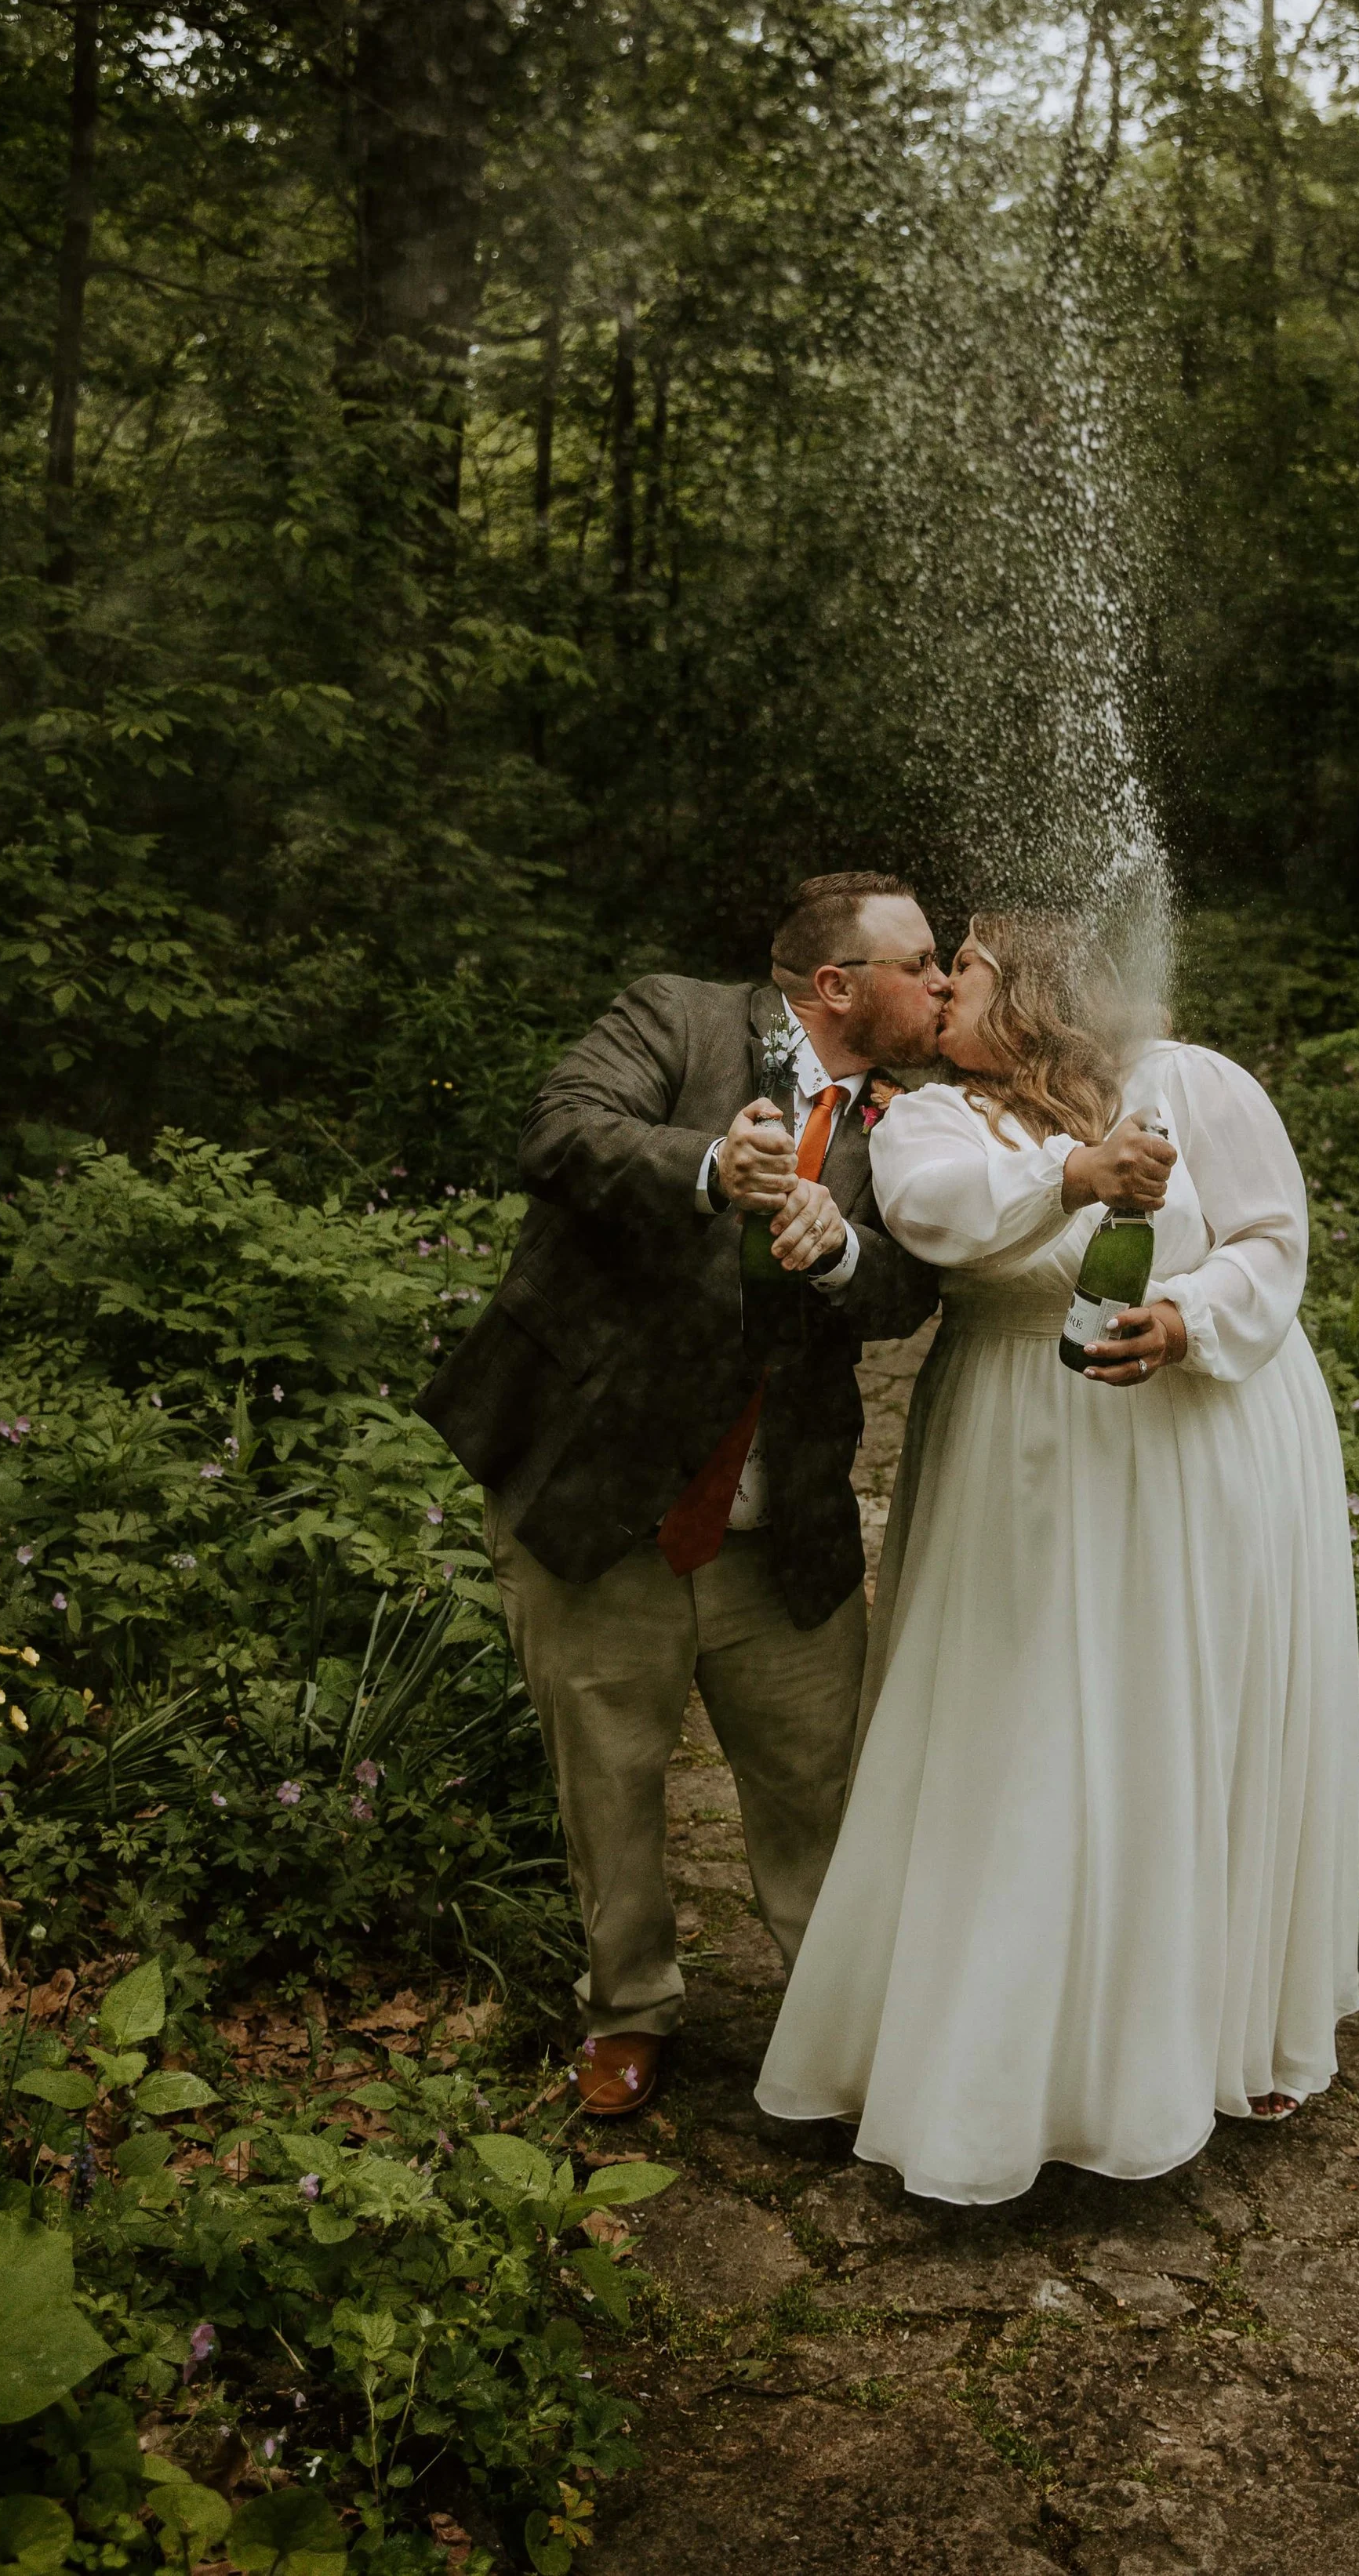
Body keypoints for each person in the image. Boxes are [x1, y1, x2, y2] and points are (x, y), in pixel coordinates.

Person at [755, 910, 1359, 2203]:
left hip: (1190, 1449)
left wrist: (1187, 1315)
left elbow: (1273, 1240)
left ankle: (1183, 2043)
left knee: (1173, 1729)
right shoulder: (926, 1118)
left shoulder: (1190, 1080)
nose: (931, 994)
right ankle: (992, 2075)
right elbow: (934, 1218)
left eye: (954, 970)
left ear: (1027, 989)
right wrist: (1080, 1177)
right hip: (1017, 1462)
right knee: (1020, 1741)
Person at [419, 872, 944, 2116]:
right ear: (837, 985)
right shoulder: (679, 1020)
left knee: (820, 1786)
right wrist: (707, 1162)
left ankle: (838, 2031)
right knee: (609, 1778)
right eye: (919, 962)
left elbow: (912, 1294)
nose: (940, 981)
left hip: (786, 1525)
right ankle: (630, 2010)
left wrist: (845, 1252)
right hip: (602, 1497)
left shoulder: (914, 1124)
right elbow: (558, 1131)